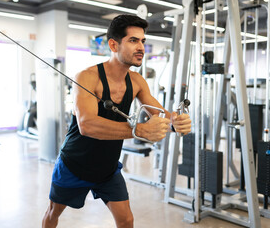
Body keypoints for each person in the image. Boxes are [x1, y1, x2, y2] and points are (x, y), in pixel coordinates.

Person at [42, 14, 192, 228]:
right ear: (113, 44)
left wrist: (177, 122)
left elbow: (159, 113)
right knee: (52, 214)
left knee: (126, 220)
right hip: (74, 165)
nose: (140, 47)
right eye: (133, 40)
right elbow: (87, 125)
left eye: (142, 41)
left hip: (107, 168)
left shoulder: (137, 81)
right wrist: (138, 131)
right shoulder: (87, 77)